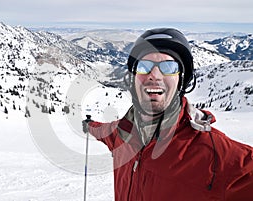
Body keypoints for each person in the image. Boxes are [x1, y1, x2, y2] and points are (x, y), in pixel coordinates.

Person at [82, 28, 253, 201]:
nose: (154, 75)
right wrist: (88, 126)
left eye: (168, 67)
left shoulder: (215, 155)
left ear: (182, 80)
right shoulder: (123, 132)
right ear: (133, 79)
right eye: (144, 66)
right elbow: (103, 131)